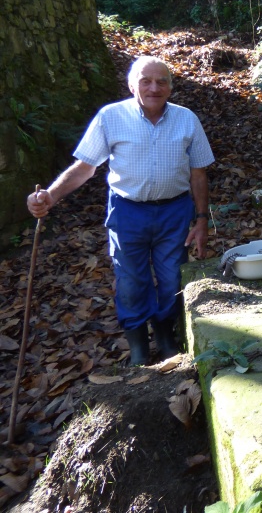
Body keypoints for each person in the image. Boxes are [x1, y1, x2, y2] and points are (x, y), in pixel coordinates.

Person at [26, 56, 215, 365]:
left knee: (171, 280)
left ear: (171, 86)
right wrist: (51, 195)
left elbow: (198, 173)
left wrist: (202, 219)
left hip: (175, 212)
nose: (154, 87)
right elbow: (85, 167)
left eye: (162, 81)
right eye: (145, 80)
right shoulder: (110, 117)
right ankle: (138, 344)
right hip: (128, 212)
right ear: (131, 85)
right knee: (130, 281)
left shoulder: (186, 119)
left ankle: (166, 336)